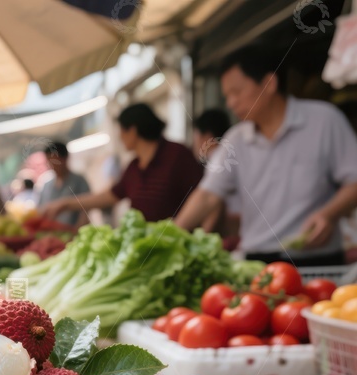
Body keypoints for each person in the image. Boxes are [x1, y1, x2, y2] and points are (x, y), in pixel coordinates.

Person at [175, 46, 357, 266]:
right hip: (258, 263)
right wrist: (169, 236)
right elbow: (207, 195)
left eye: (237, 92)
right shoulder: (236, 139)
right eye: (227, 96)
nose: (231, 103)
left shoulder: (325, 120)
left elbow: (354, 180)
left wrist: (329, 214)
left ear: (269, 83)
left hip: (319, 259)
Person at [43, 104, 204, 223]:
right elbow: (110, 196)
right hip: (146, 249)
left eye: (121, 130)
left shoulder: (178, 155)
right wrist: (66, 204)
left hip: (179, 248)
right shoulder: (134, 167)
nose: (119, 137)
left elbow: (204, 194)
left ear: (132, 131)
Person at [192, 109, 236, 237]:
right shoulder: (229, 154)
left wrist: (201, 239)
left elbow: (212, 199)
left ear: (206, 136)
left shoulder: (217, 160)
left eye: (195, 136)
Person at [36, 142, 90, 226]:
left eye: (55, 161)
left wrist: (78, 230)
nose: (52, 165)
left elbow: (86, 209)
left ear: (65, 158)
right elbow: (40, 210)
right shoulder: (47, 185)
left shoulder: (79, 181)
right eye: (49, 161)